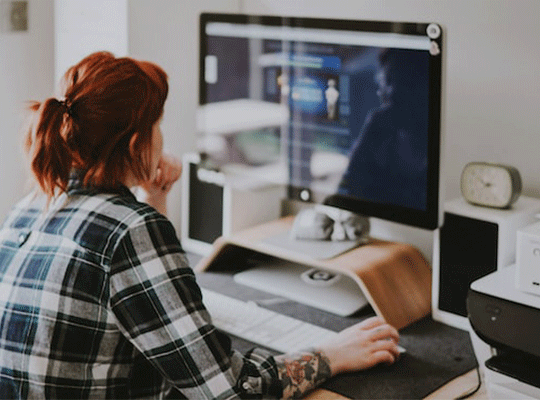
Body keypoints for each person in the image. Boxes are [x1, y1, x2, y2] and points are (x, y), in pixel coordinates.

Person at [0, 51, 400, 399]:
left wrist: (154, 199)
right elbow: (230, 390)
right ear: (138, 140)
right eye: (157, 125)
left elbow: (145, 304)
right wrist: (332, 355)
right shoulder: (129, 231)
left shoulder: (31, 206)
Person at [337, 48, 430, 210]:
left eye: (402, 81)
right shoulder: (380, 125)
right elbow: (348, 187)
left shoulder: (437, 135)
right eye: (387, 81)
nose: (391, 91)